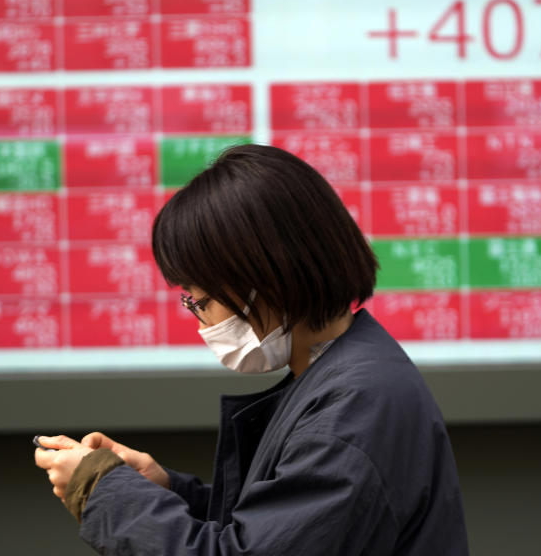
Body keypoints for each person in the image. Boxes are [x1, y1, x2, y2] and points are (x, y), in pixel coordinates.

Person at [35, 144, 469, 555]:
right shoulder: (343, 377)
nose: (200, 320)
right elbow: (282, 531)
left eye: (199, 301)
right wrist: (166, 489)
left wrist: (105, 491)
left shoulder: (355, 407)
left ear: (264, 281)